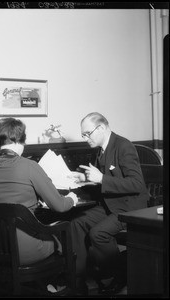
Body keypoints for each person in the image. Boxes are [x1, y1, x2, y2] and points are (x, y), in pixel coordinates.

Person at [0, 117, 78, 282]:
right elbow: (60, 206)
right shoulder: (29, 166)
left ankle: (38, 287)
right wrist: (71, 198)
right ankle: (60, 286)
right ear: (18, 141)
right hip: (26, 252)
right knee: (59, 238)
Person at [70, 112, 149, 295]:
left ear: (102, 127)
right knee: (77, 223)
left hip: (130, 208)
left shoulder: (123, 146)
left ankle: (117, 276)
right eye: (83, 134)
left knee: (98, 233)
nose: (85, 138)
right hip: (111, 205)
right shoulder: (101, 149)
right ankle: (77, 280)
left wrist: (101, 178)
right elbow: (104, 183)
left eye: (87, 133)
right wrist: (86, 179)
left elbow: (137, 184)